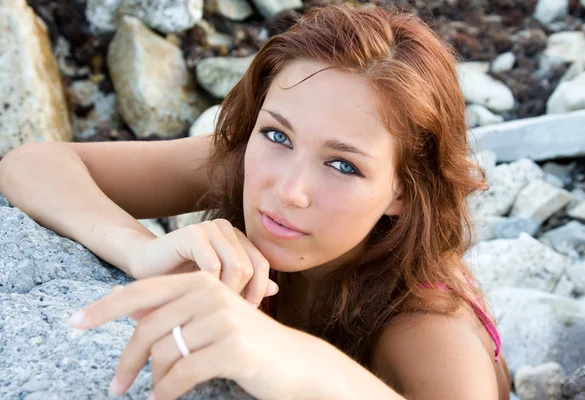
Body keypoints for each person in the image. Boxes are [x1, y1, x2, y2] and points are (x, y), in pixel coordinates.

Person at [0, 4, 511, 400]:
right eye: (278, 134)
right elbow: (30, 165)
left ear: (402, 191)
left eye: (343, 165)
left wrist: (295, 361)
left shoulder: (428, 327)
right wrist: (139, 248)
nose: (288, 189)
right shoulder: (250, 161)